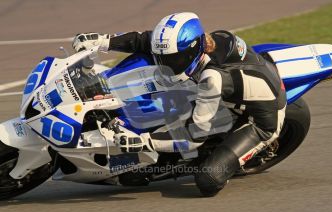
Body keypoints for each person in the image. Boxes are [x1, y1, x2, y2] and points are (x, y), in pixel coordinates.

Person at [72, 12, 286, 196]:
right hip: (233, 89)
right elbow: (143, 41)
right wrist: (102, 41)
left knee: (208, 180)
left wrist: (143, 142)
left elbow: (195, 136)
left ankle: (226, 160)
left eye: (172, 59)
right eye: (162, 57)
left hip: (259, 120)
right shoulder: (198, 45)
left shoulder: (212, 79)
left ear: (191, 52)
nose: (164, 63)